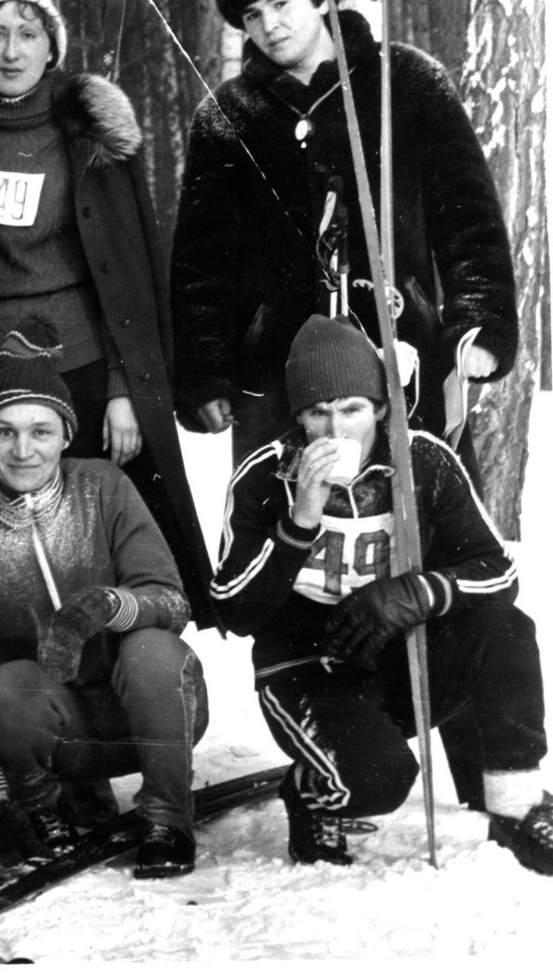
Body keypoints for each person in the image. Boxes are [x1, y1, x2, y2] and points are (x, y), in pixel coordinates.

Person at [0, 0, 210, 837]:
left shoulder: (94, 137)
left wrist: (128, 388)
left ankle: (79, 754)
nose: (12, 50)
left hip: (85, 372)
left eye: (28, 32)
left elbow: (132, 273)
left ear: (52, 46)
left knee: (85, 556)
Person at [210, 315, 551, 873]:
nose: (335, 429)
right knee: (380, 782)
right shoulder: (267, 474)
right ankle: (311, 792)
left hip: (399, 651)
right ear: (298, 418)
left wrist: (416, 593)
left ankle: (517, 809)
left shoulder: (422, 460)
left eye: (352, 409)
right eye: (318, 413)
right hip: (309, 667)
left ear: (381, 409)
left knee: (506, 629)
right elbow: (232, 609)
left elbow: (497, 573)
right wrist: (299, 521)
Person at [171, 0, 517, 468]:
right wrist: (206, 370)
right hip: (277, 368)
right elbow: (201, 263)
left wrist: (479, 323)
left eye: (281, 3)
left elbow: (470, 220)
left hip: (401, 346)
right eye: (252, 15)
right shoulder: (226, 115)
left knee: (420, 502)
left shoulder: (406, 81)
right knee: (287, 507)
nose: (270, 26)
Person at [0, 320, 207, 879]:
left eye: (41, 431)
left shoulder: (104, 487)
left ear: (65, 434)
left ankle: (168, 818)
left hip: (153, 717)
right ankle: (42, 811)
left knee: (153, 650)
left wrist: (111, 607)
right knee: (10, 686)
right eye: (4, 431)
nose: (23, 450)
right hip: (62, 735)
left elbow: (173, 603)